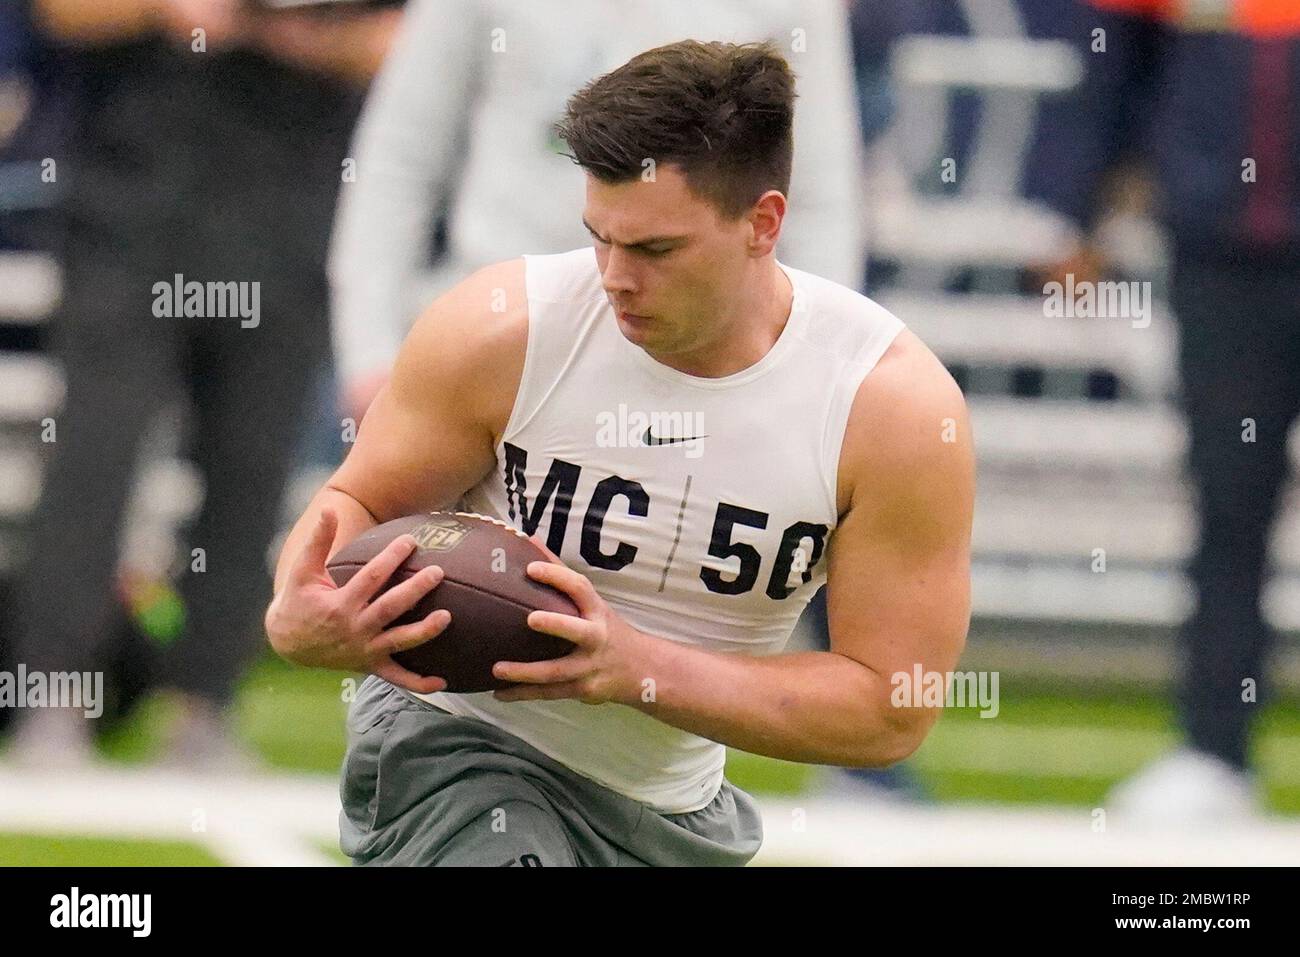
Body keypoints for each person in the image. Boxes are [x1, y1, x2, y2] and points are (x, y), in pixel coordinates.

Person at [267, 40, 973, 866]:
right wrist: (300, 604)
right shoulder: (503, 328)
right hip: (461, 749)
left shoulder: (891, 410)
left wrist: (635, 665)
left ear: (764, 222)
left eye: (655, 250)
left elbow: (891, 707)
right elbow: (358, 503)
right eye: (599, 238)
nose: (613, 277)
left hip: (672, 806)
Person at [2, 0, 400, 770]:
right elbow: (59, 13)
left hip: (288, 226)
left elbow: (400, 45)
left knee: (251, 476)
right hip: (130, 216)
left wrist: (280, 23)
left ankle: (204, 709)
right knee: (91, 463)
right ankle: (51, 701)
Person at [1029, 0, 1300, 822]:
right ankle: (1215, 751)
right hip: (1221, 258)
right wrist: (1076, 214)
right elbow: (1113, 66)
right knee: (1228, 505)